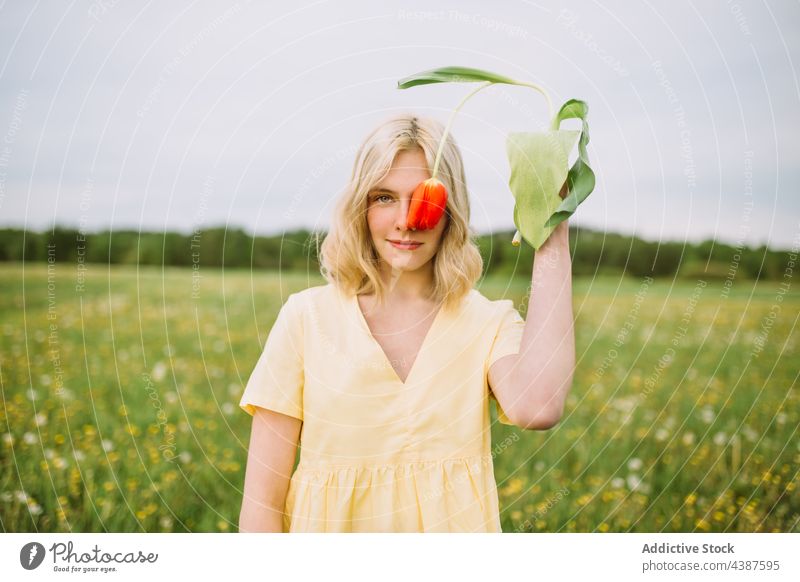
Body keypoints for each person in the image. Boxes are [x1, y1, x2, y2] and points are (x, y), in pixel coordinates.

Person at [238, 113, 575, 533]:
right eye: (383, 197)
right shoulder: (305, 319)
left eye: (424, 198)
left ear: (451, 209)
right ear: (360, 206)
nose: (407, 220)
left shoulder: (488, 322)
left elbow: (538, 406)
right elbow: (260, 507)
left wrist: (552, 229)